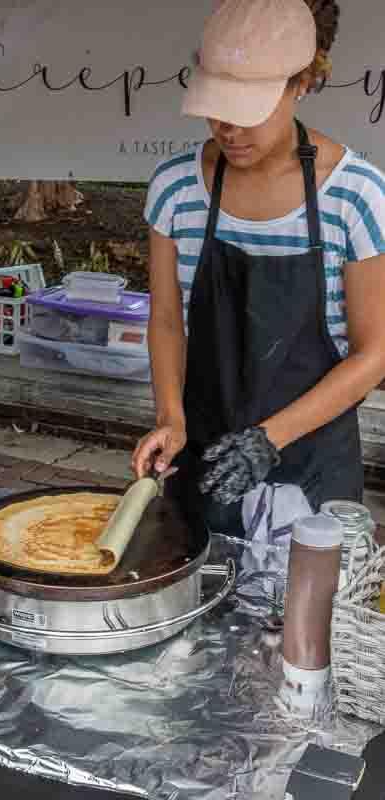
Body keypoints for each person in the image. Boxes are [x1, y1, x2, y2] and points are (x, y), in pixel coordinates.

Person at [132, 0, 385, 536]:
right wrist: (170, 419)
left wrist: (268, 439)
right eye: (217, 107)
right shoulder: (177, 188)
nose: (228, 128)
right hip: (206, 459)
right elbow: (166, 321)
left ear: (302, 83)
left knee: (300, 618)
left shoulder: (355, 196)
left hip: (313, 464)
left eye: (248, 109)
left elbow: (375, 354)